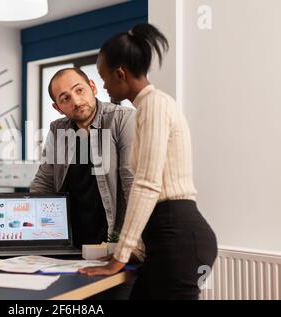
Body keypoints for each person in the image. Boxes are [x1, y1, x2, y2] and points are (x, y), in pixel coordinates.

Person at [79, 23, 218, 300]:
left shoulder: (154, 105)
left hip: (177, 236)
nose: (103, 86)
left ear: (121, 73)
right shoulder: (147, 107)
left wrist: (118, 258)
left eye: (104, 78)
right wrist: (129, 251)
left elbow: (146, 185)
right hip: (167, 236)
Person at [30, 68, 143, 258]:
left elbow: (132, 186)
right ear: (57, 108)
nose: (75, 101)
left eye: (79, 90)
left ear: (92, 87)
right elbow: (44, 183)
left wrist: (130, 247)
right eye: (65, 98)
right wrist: (30, 232)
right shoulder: (58, 130)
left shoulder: (122, 119)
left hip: (113, 245)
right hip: (70, 246)